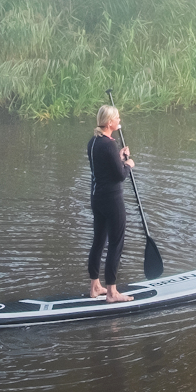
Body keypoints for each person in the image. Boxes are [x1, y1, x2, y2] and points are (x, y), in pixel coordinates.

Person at [86, 104, 135, 301]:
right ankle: (112, 293)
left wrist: (119, 157)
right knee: (116, 243)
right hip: (112, 200)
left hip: (97, 198)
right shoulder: (108, 144)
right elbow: (119, 175)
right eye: (117, 118)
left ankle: (95, 287)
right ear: (109, 123)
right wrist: (128, 164)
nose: (119, 121)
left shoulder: (93, 142)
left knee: (98, 242)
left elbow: (105, 167)